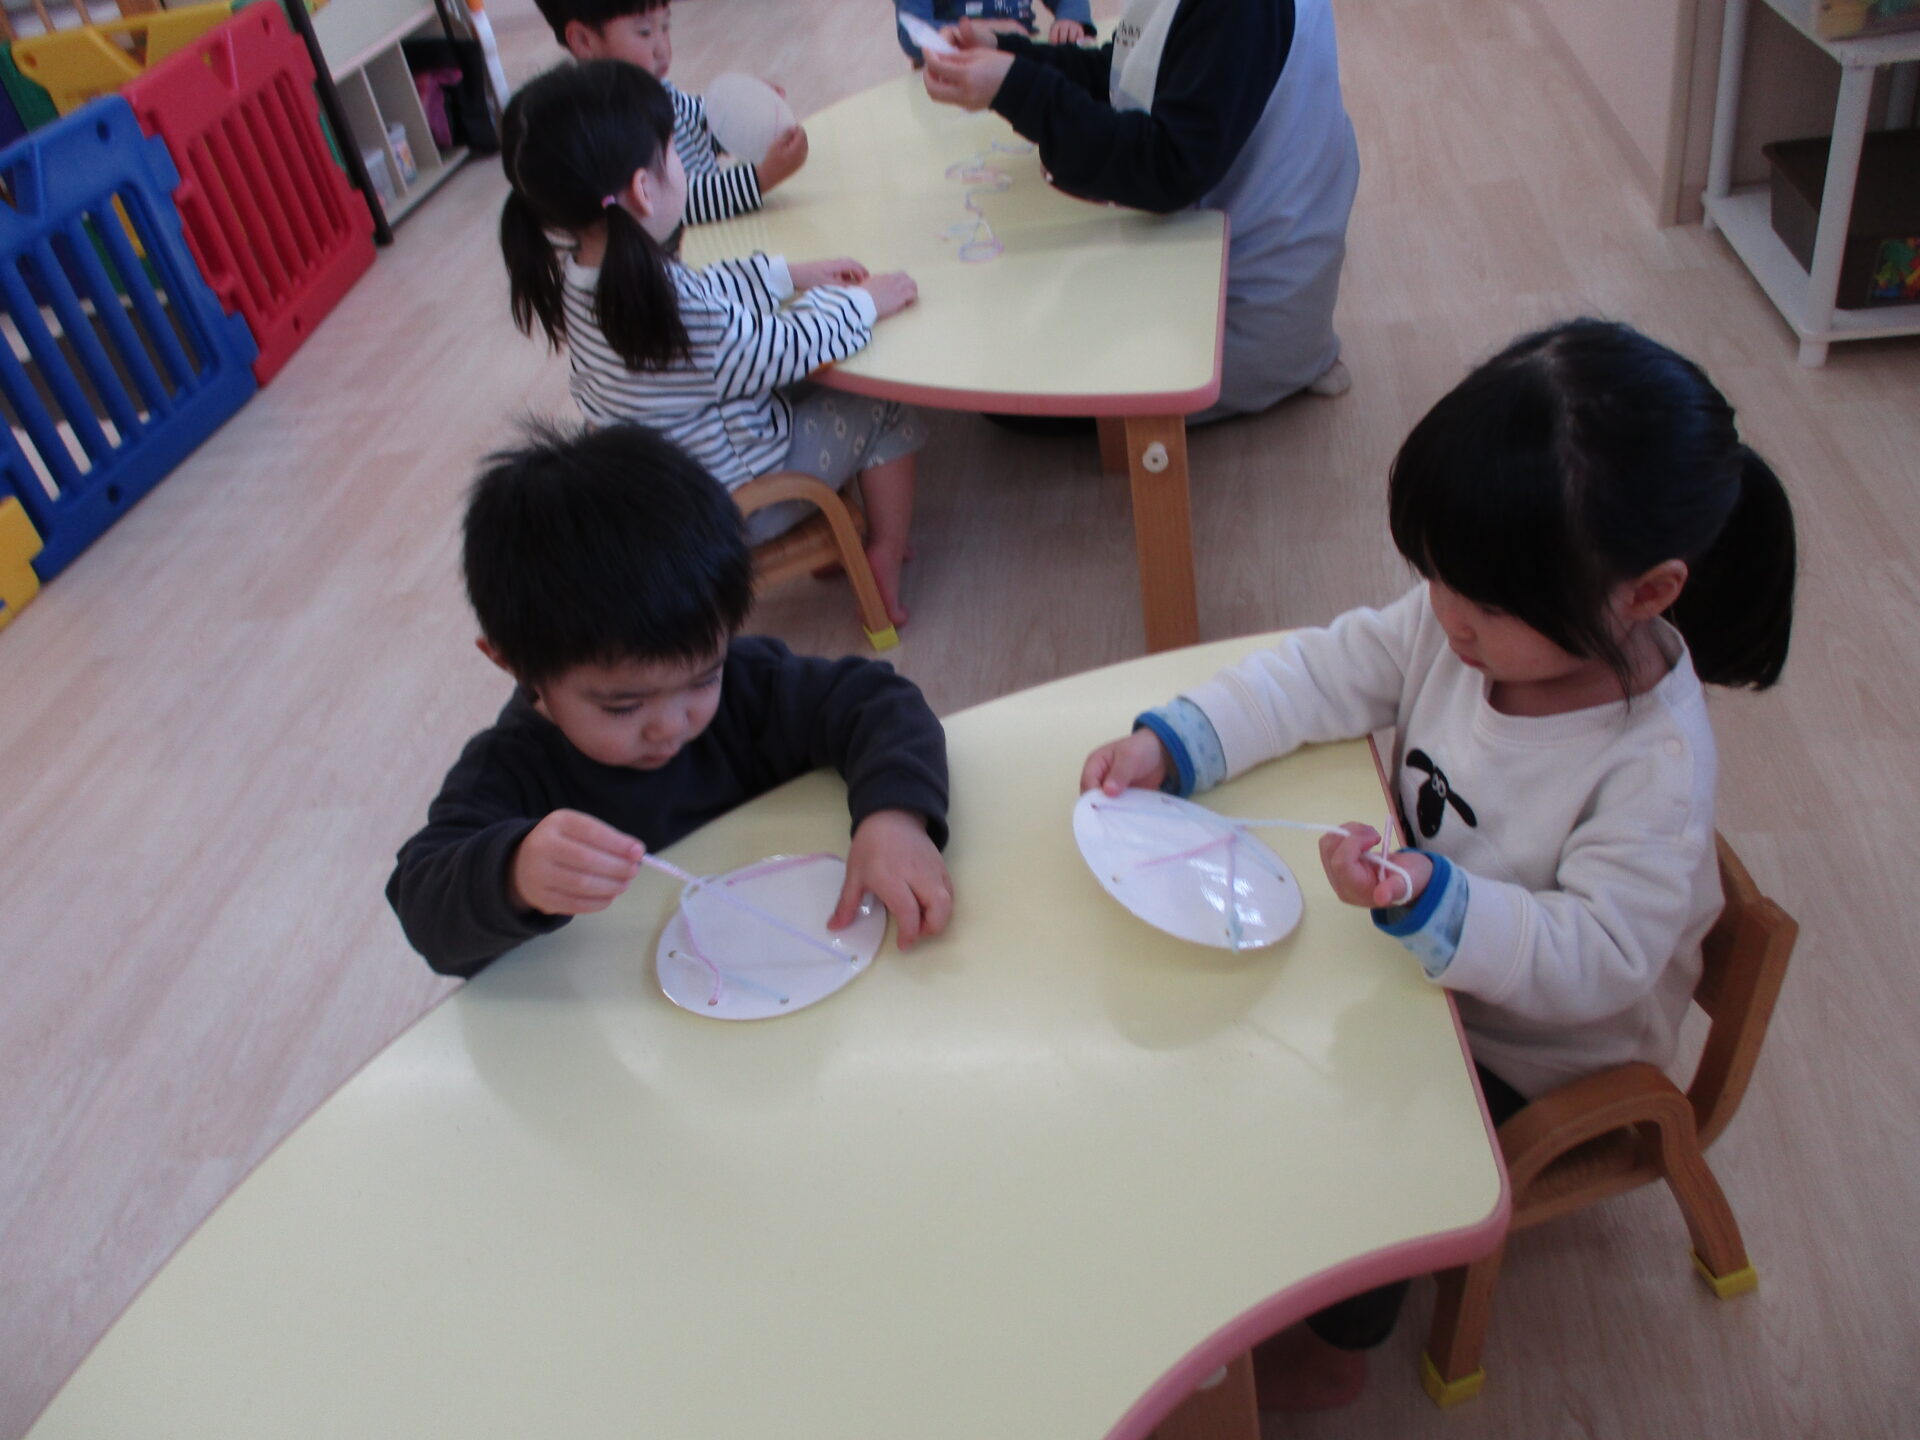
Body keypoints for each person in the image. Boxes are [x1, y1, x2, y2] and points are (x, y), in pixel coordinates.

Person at [1079, 319, 1798, 1408]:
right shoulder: (1468, 617)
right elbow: (1326, 670)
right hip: (1424, 958)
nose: (1447, 620)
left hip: (1541, 1045)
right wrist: (1184, 740)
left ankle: (1337, 1351)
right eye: (1436, 580)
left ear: (1647, 594)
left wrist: (1443, 904)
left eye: (1486, 607)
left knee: (1367, 1145)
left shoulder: (1653, 766)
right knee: (1223, 1034)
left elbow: (1603, 955)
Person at [387, 422, 954, 979]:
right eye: (623, 707)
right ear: (513, 662)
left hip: (797, 955)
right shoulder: (510, 770)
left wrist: (894, 817)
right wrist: (514, 874)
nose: (671, 724)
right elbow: (421, 903)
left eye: (703, 678)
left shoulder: (746, 686)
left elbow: (881, 703)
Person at [500, 60, 926, 625]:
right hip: (740, 503)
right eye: (673, 153)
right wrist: (865, 302)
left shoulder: (590, 276)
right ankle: (885, 552)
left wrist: (790, 274)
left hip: (682, 487)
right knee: (884, 403)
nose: (684, 162)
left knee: (814, 382)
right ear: (644, 190)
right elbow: (782, 347)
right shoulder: (671, 308)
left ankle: (833, 542)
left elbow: (704, 289)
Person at [921, 0, 1359, 421]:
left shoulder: (1240, 10)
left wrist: (1019, 87)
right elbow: (1125, 75)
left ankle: (1287, 373)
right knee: (1009, 347)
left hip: (1236, 316)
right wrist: (1011, 55)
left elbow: (1166, 168)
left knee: (1009, 391)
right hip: (1215, 267)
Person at [532, 0, 809, 225]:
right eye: (644, 32)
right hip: (681, 259)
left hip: (714, 232)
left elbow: (701, 128)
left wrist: (744, 110)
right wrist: (761, 178)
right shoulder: (608, 122)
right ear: (584, 40)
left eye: (665, 26)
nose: (663, 48)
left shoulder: (656, 87)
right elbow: (672, 203)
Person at [894, 0, 1090, 66]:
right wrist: (984, 30)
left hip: (1024, 61)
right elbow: (912, 32)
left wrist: (1070, 19)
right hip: (959, 70)